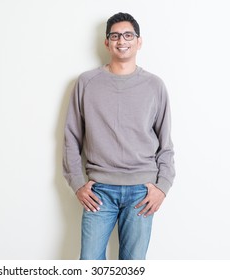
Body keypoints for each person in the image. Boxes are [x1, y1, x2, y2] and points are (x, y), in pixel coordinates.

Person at [62, 12, 175, 260]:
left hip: (141, 192)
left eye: (127, 35)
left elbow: (165, 144)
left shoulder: (155, 86)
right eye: (115, 36)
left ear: (138, 41)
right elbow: (71, 137)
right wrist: (78, 183)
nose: (121, 41)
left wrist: (162, 188)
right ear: (107, 42)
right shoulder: (86, 82)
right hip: (99, 191)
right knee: (89, 264)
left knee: (133, 268)